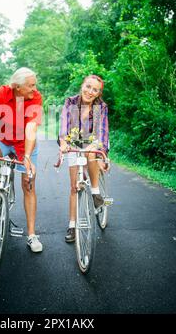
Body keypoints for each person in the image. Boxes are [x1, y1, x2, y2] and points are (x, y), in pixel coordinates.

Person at [0, 67, 43, 252]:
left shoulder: (35, 97)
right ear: (17, 87)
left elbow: (31, 128)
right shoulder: (1, 93)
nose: (34, 88)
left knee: (28, 184)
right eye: (30, 85)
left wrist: (28, 157)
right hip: (4, 139)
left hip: (25, 145)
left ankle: (31, 235)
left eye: (34, 85)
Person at [58, 74, 109, 243]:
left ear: (98, 93)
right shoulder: (70, 102)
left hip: (93, 143)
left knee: (90, 151)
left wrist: (102, 153)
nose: (90, 91)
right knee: (74, 187)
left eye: (95, 90)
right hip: (73, 144)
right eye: (88, 86)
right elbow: (64, 124)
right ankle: (72, 226)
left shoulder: (101, 106)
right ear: (82, 85)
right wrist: (63, 142)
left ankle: (95, 193)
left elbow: (103, 131)